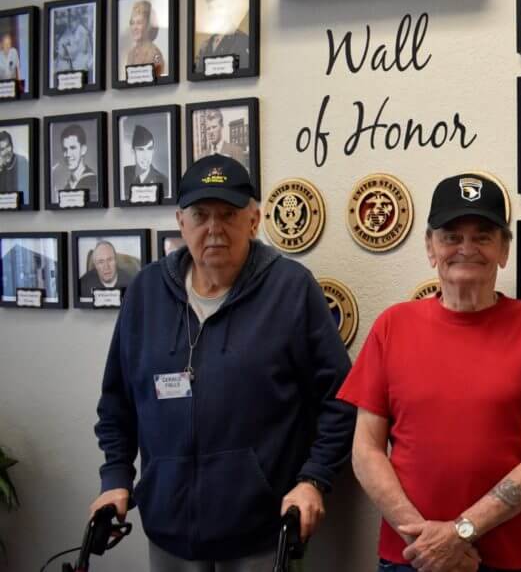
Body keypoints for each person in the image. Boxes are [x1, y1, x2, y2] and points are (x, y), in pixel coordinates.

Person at [91, 154, 355, 568]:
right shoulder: (145, 293)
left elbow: (341, 398)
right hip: (168, 534)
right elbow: (117, 402)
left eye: (228, 214)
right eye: (201, 215)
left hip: (261, 536)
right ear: (181, 221)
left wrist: (313, 480)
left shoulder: (290, 289)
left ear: (254, 220)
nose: (214, 229)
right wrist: (115, 478)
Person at [339, 173, 521, 572]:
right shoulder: (392, 325)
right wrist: (425, 542)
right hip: (409, 558)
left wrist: (460, 533)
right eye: (451, 236)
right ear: (430, 246)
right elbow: (365, 451)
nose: (466, 248)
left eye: (483, 236)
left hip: (502, 559)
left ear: (504, 249)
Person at [195, 0, 250, 72]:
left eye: (220, 6)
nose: (215, 13)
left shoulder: (242, 40)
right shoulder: (205, 46)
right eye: (211, 8)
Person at [122, 124, 170, 198]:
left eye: (149, 149)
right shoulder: (122, 175)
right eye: (140, 149)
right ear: (133, 151)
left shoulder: (164, 182)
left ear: (153, 151)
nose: (146, 156)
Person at [55, 124, 98, 200]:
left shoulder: (93, 182)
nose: (68, 154)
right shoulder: (67, 186)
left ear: (83, 150)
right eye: (65, 149)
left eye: (73, 148)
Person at [125, 0, 165, 77]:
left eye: (139, 23)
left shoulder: (156, 54)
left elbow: (158, 80)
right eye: (132, 23)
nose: (134, 27)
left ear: (148, 26)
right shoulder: (131, 54)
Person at [54, 8, 93, 77]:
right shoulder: (67, 31)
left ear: (77, 19)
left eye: (72, 19)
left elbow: (81, 51)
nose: (69, 22)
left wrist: (67, 51)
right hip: (70, 64)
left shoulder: (82, 31)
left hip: (81, 62)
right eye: (68, 19)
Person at [0, 130, 29, 198]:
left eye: (8, 146)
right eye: (2, 149)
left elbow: (24, 194)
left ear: (12, 145)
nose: (6, 151)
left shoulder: (22, 162)